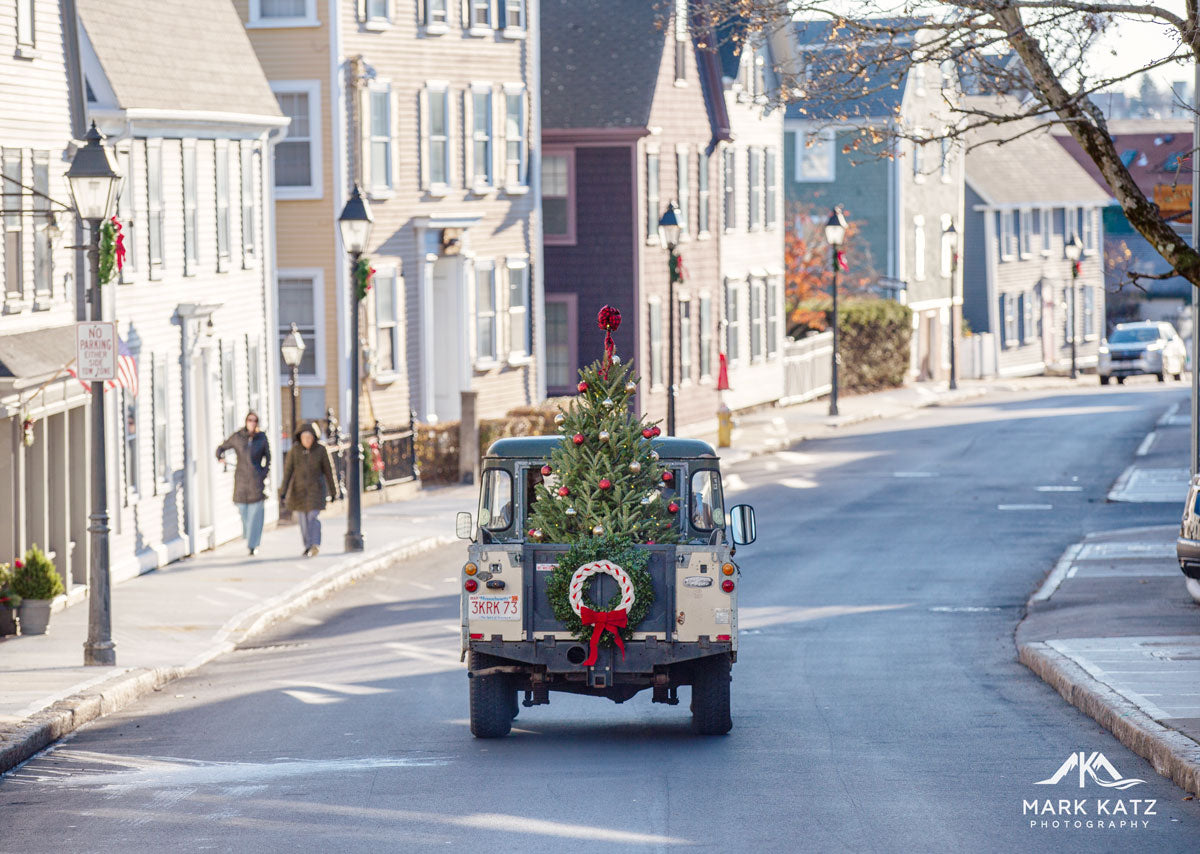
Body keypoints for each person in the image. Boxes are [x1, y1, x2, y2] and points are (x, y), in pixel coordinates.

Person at [216, 411, 271, 555]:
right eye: (249, 420)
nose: (252, 423)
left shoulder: (262, 438)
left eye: (255, 421)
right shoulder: (238, 437)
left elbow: (268, 458)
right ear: (246, 422)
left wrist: (262, 473)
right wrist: (219, 456)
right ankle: (249, 536)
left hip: (256, 480)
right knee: (243, 509)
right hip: (241, 479)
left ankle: (253, 545)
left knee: (256, 514)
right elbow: (222, 447)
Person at [280, 423, 337, 557]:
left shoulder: (321, 450)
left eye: (309, 437)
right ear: (300, 438)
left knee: (313, 517)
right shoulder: (295, 451)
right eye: (304, 437)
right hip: (298, 491)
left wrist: (334, 492)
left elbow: (329, 472)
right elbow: (288, 472)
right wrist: (283, 492)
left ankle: (315, 544)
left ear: (314, 437)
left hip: (315, 490)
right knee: (303, 520)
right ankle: (307, 545)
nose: (307, 440)